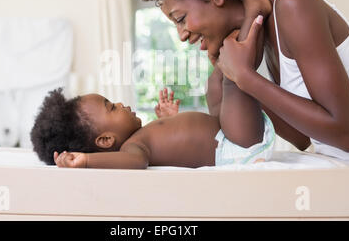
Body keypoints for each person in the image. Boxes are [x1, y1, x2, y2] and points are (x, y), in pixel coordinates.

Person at [137, 0, 349, 217]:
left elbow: (346, 134)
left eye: (181, 18)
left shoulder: (294, 6)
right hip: (340, 188)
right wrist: (238, 77)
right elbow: (303, 139)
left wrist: (248, 79)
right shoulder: (259, 41)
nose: (182, 35)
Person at [30, 69, 275, 168]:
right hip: (236, 146)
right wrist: (85, 162)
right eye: (112, 108)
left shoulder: (141, 136)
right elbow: (136, 163)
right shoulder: (133, 148)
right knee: (233, 77)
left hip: (226, 131)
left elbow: (180, 143)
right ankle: (247, 25)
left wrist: (170, 120)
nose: (121, 104)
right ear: (105, 140)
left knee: (214, 83)